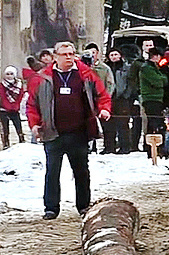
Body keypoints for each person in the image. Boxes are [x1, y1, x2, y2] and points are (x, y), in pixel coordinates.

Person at [26, 42, 111, 220]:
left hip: (78, 131)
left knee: (81, 171)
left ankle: (83, 206)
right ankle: (51, 208)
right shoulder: (42, 78)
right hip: (52, 132)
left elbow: (102, 95)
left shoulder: (86, 74)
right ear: (55, 56)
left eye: (71, 54)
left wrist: (104, 109)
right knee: (52, 171)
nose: (68, 57)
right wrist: (34, 124)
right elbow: (32, 104)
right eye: (64, 54)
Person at [84, 43, 115, 153]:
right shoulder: (83, 68)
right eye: (89, 53)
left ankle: (108, 147)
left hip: (100, 99)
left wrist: (106, 96)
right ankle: (90, 145)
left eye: (94, 52)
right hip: (87, 99)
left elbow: (110, 83)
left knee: (105, 124)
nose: (92, 55)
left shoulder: (104, 68)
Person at [140, 48, 167, 159]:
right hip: (151, 99)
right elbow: (159, 81)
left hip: (156, 99)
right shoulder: (147, 68)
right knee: (154, 124)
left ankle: (156, 149)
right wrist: (163, 78)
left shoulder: (154, 68)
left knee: (157, 124)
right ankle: (153, 150)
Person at [0, 66, 26, 148]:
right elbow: (2, 97)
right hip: (3, 109)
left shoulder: (19, 85)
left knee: (18, 125)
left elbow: (20, 96)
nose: (9, 76)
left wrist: (16, 106)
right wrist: (7, 106)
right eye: (7, 74)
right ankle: (6, 143)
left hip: (15, 109)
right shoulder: (1, 85)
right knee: (5, 127)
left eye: (11, 74)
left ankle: (22, 139)